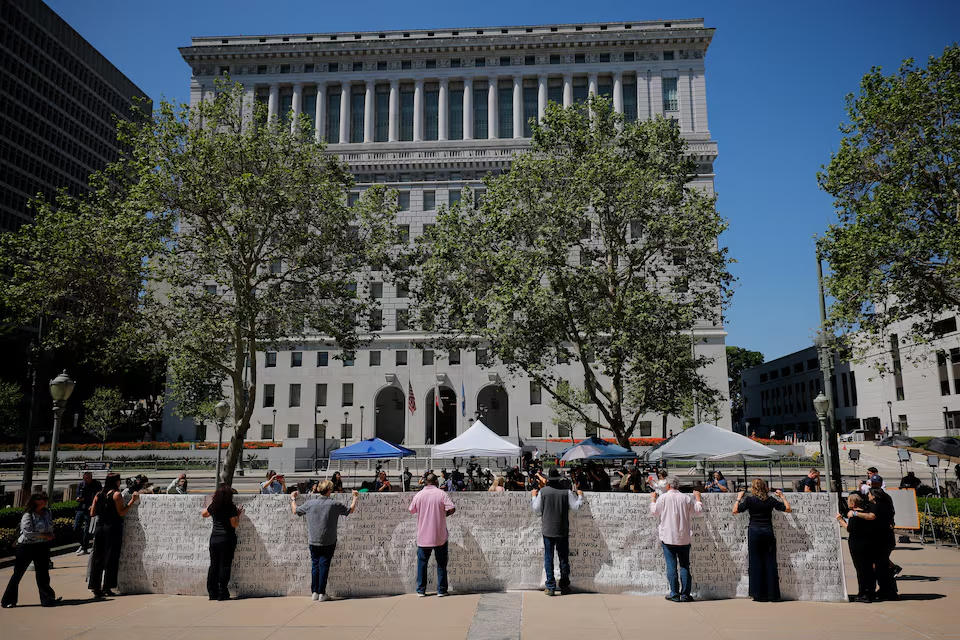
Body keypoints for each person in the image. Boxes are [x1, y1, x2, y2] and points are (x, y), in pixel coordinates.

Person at [291, 482, 359, 601]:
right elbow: (350, 510)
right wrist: (355, 497)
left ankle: (314, 592)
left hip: (313, 540)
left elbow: (295, 511)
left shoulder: (310, 503)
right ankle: (322, 593)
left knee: (315, 565)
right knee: (324, 566)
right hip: (329, 541)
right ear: (329, 490)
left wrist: (292, 499)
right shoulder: (334, 504)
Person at [732, 479, 792, 602]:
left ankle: (758, 593)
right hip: (767, 532)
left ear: (753, 488)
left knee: (755, 562)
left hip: (754, 532)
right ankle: (772, 594)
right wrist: (782, 497)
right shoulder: (770, 500)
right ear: (765, 487)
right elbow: (788, 509)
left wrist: (738, 498)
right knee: (770, 562)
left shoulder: (749, 500)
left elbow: (735, 511)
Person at [649, 476, 703, 602]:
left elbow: (654, 512)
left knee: (671, 567)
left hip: (668, 537)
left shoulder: (663, 498)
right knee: (684, 566)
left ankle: (674, 594)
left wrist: (652, 499)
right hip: (684, 538)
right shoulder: (686, 498)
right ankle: (685, 594)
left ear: (668, 485)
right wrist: (698, 499)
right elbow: (698, 511)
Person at [531, 468, 584, 596]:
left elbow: (536, 509)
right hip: (562, 529)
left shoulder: (543, 492)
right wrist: (580, 496)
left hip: (548, 529)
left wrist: (533, 496)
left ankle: (550, 586)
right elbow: (576, 507)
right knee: (563, 558)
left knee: (548, 558)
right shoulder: (566, 492)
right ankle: (564, 586)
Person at [2, 493, 59, 608]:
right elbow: (28, 533)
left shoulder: (47, 512)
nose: (44, 501)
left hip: (42, 546)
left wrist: (50, 534)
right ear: (34, 501)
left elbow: (49, 526)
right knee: (18, 574)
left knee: (43, 574)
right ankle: (8, 600)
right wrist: (44, 535)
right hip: (26, 547)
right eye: (41, 499)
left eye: (45, 499)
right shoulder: (28, 515)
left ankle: (47, 599)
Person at [88, 473, 140, 598]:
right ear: (116, 482)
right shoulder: (116, 495)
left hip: (100, 527)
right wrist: (132, 501)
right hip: (112, 528)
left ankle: (95, 586)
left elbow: (92, 513)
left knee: (97, 557)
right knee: (111, 558)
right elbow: (121, 512)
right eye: (119, 480)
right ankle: (107, 586)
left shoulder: (98, 494)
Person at [408, 472, 455, 596]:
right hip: (440, 535)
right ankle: (441, 590)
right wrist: (444, 514)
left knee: (422, 564)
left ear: (425, 482)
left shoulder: (419, 495)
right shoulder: (441, 494)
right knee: (441, 564)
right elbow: (452, 508)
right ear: (436, 482)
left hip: (423, 536)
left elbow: (411, 510)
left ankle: (421, 590)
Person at [202, 483, 243, 600]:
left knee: (214, 565)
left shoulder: (214, 505)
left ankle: (212, 592)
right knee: (224, 565)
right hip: (227, 539)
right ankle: (222, 592)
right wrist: (238, 515)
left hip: (214, 539)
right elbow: (234, 524)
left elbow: (204, 514)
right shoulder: (231, 507)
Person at [835, 492, 878, 602]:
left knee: (861, 570)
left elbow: (849, 529)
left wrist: (840, 520)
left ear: (853, 503)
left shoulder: (854, 516)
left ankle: (864, 594)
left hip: (857, 545)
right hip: (868, 543)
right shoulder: (866, 513)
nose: (847, 502)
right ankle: (870, 592)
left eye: (849, 501)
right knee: (868, 568)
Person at [867, 479, 900, 599]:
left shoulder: (877, 507)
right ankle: (887, 590)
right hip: (885, 538)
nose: (868, 496)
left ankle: (888, 591)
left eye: (869, 494)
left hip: (880, 539)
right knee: (881, 564)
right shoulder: (886, 501)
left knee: (879, 566)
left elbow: (872, 518)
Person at [74, 472, 101, 555]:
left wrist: (93, 506)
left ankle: (84, 548)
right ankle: (82, 544)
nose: (86, 480)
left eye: (88, 478)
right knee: (76, 528)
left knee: (87, 529)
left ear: (91, 477)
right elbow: (77, 497)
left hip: (90, 509)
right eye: (85, 478)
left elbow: (99, 496)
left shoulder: (97, 484)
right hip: (81, 508)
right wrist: (79, 499)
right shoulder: (81, 485)